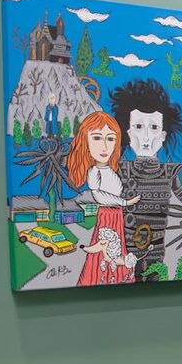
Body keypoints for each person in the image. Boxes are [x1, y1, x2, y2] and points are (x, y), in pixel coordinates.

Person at [108, 78, 182, 280]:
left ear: (163, 135)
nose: (145, 137)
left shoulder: (169, 173)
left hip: (156, 251)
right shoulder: (121, 170)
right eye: (138, 126)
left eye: (153, 128)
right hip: (127, 253)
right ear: (128, 132)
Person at [67, 111, 141, 286]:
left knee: (115, 250)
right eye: (97, 138)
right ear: (85, 141)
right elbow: (98, 196)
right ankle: (101, 276)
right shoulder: (94, 171)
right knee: (108, 250)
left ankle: (117, 276)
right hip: (107, 216)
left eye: (110, 139)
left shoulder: (111, 170)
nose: (105, 147)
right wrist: (124, 202)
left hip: (116, 216)